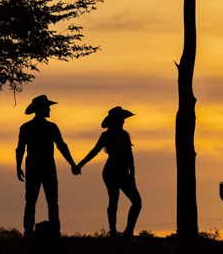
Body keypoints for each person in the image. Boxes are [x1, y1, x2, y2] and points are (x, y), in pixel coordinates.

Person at [16, 94, 79, 237]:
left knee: (35, 201)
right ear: (41, 109)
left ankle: (32, 233)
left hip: (37, 167)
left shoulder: (28, 127)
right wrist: (72, 164)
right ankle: (48, 232)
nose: (49, 110)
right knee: (46, 201)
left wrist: (18, 166)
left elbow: (20, 149)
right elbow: (61, 146)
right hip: (44, 167)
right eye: (47, 108)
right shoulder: (48, 127)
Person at [76, 106, 142, 238]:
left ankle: (127, 231)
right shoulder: (108, 136)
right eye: (121, 119)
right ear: (116, 121)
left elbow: (130, 157)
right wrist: (80, 164)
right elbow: (95, 151)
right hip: (112, 172)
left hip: (120, 172)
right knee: (115, 201)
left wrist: (132, 175)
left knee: (136, 202)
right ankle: (114, 232)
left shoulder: (123, 136)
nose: (123, 122)